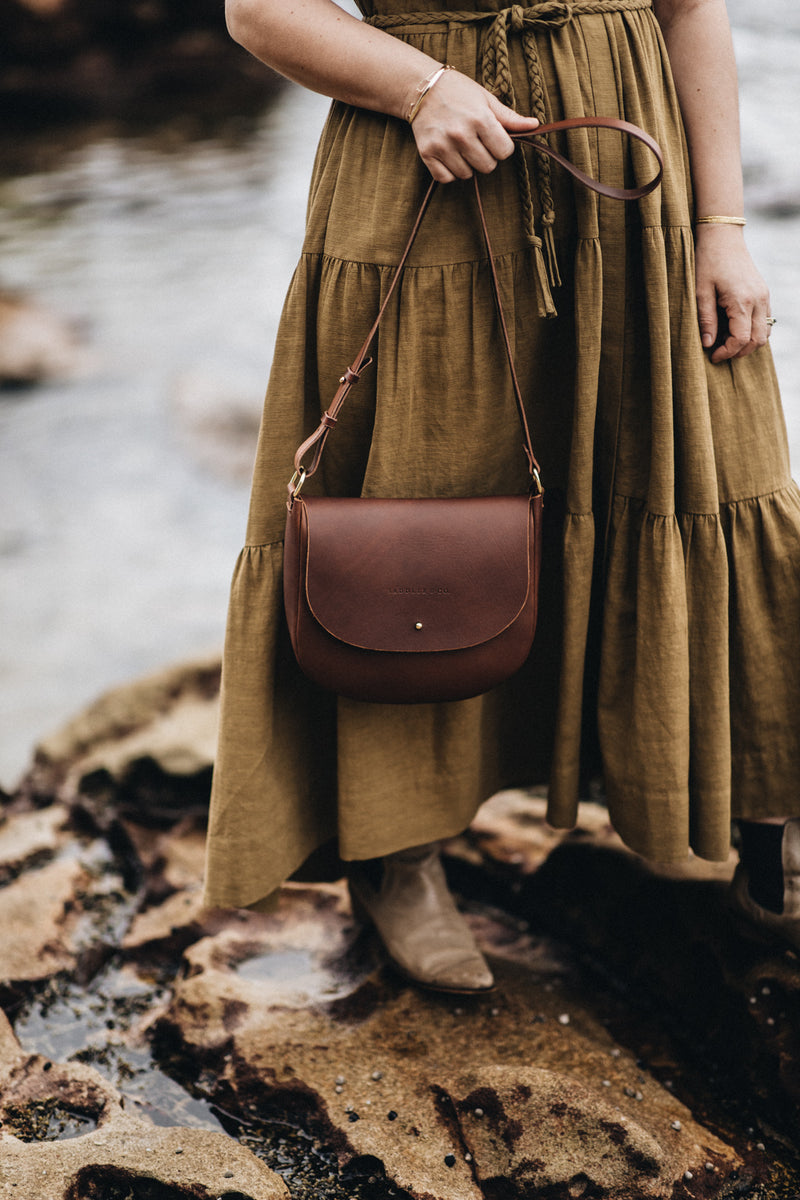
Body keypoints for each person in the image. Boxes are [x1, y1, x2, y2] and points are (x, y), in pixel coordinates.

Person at [203, 0, 800, 991]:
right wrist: (420, 88)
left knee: (719, 477)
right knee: (414, 518)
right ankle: (394, 856)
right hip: (419, 179)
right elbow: (259, 9)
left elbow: (689, 7)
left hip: (629, 187)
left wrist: (721, 224)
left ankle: (759, 835)